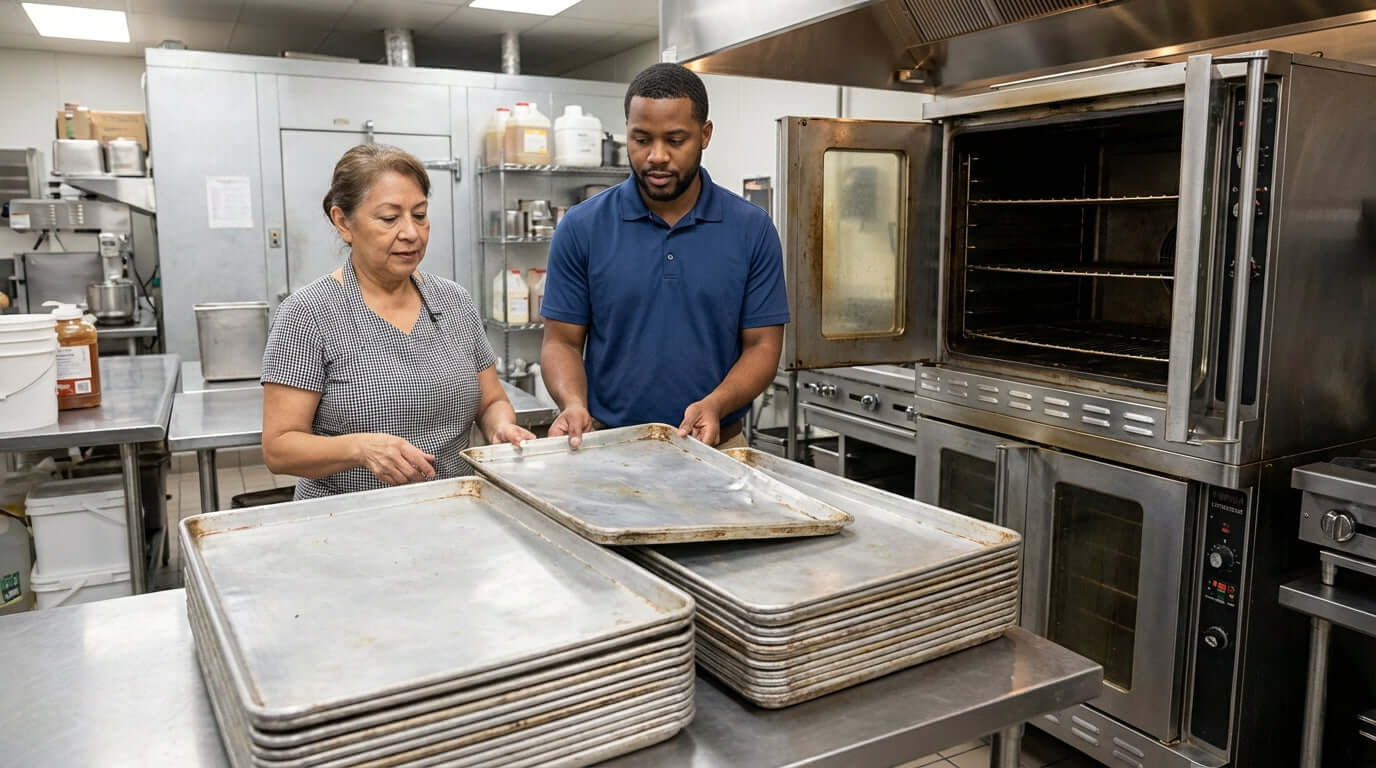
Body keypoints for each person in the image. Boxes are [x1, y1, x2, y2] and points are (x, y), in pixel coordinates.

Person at [261, 144, 533, 499]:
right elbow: (279, 448)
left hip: (452, 508)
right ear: (343, 222)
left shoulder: (453, 301)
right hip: (347, 521)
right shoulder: (308, 314)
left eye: (419, 215)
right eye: (389, 219)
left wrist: (501, 430)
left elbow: (491, 401)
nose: (411, 233)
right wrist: (359, 448)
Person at [539, 63, 789, 450]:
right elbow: (561, 343)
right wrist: (572, 403)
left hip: (716, 446)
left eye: (675, 140)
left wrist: (715, 404)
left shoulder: (751, 229)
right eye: (641, 140)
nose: (657, 156)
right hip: (610, 446)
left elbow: (763, 346)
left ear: (704, 135)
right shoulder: (582, 227)